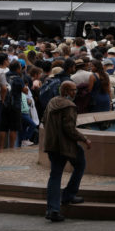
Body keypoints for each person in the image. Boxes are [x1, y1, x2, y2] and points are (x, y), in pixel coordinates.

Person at [42, 81, 91, 222]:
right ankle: (68, 195)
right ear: (66, 91)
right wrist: (84, 139)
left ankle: (53, 209)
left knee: (55, 175)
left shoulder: (52, 102)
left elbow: (44, 120)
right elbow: (69, 129)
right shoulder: (69, 106)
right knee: (80, 164)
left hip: (52, 145)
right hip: (65, 146)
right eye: (73, 90)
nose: (75, 92)